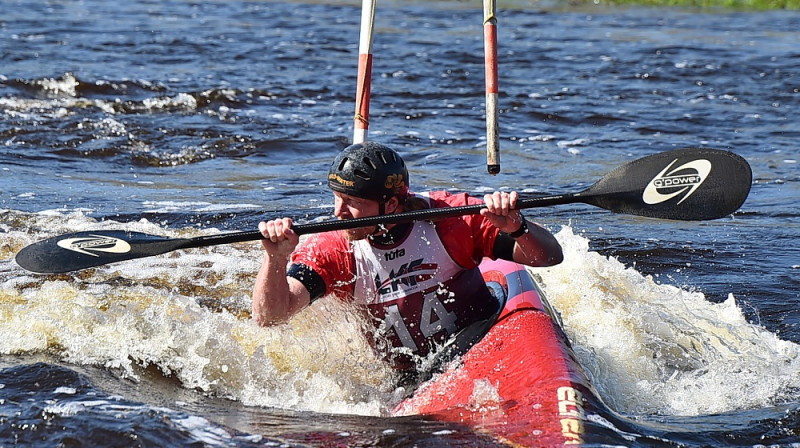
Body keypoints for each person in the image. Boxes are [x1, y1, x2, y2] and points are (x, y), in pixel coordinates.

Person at [252, 142, 563, 381]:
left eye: (353, 203)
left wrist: (517, 227)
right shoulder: (334, 249)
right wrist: (275, 259)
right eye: (337, 197)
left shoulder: (449, 218)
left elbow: (550, 256)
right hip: (408, 378)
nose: (338, 212)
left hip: (482, 336)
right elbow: (271, 317)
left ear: (390, 204)